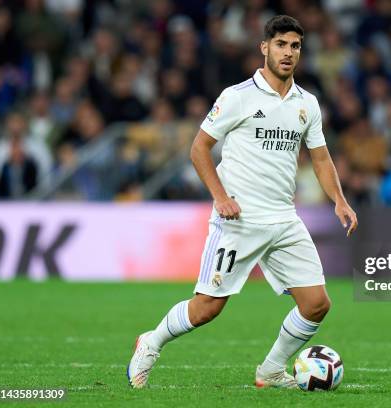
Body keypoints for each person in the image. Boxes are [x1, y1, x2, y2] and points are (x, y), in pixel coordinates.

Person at [127, 15, 358, 389]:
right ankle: (150, 342)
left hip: (284, 218)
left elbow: (320, 158)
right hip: (239, 219)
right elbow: (199, 148)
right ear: (264, 48)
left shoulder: (307, 104)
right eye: (281, 44)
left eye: (295, 46)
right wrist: (220, 197)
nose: (288, 53)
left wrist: (340, 201)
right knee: (206, 309)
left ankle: (270, 371)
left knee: (317, 303)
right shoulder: (237, 97)